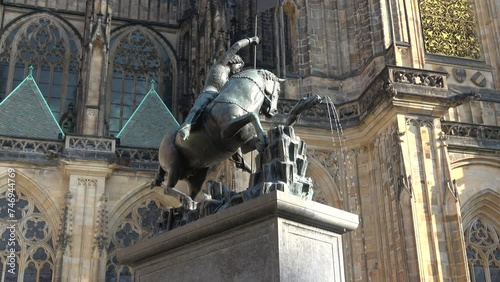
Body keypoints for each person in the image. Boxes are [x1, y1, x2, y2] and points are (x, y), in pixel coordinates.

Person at [178, 36, 260, 140]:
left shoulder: (229, 80)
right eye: (239, 66)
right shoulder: (221, 65)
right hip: (210, 92)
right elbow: (237, 46)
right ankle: (187, 126)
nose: (239, 70)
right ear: (233, 61)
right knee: (198, 107)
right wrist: (250, 40)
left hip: (220, 98)